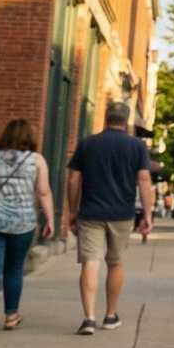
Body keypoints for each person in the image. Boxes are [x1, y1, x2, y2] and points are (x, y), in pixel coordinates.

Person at [65, 102, 154, 335]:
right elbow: (144, 180)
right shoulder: (137, 146)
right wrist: (147, 214)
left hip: (90, 212)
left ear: (106, 118)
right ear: (126, 122)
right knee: (115, 263)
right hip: (122, 214)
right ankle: (110, 315)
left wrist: (72, 210)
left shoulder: (87, 144)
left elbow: (74, 180)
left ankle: (88, 318)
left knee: (90, 262)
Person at [0, 119, 55, 335]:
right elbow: (43, 192)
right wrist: (50, 220)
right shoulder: (36, 160)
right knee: (14, 268)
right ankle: (10, 316)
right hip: (22, 222)